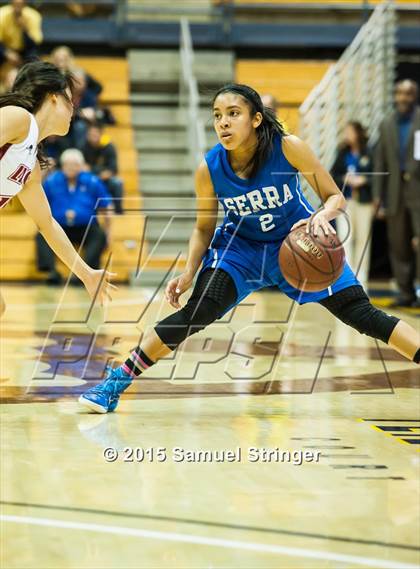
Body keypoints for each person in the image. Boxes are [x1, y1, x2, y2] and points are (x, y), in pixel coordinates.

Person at [79, 83, 420, 414]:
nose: (223, 123)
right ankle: (115, 382)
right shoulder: (209, 168)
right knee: (196, 313)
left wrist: (322, 217)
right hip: (240, 251)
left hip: (297, 242)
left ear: (256, 119)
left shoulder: (288, 147)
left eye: (233, 113)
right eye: (217, 116)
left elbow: (335, 196)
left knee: (363, 314)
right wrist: (188, 272)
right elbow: (202, 228)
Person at [0, 60, 115, 317]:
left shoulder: (31, 164)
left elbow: (47, 225)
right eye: (69, 99)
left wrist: (86, 274)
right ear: (53, 97)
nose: (74, 107)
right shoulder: (17, 117)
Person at [374, 79, 420, 308]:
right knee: (399, 244)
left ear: (415, 96)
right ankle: (406, 294)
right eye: (400, 93)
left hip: (418, 190)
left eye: (408, 93)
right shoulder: (386, 123)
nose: (404, 97)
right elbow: (379, 161)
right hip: (394, 192)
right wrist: (377, 197)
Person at [36, 148, 112, 285]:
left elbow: (106, 206)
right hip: (59, 227)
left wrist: (109, 231)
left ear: (81, 166)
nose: (70, 168)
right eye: (67, 164)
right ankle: (52, 273)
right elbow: (39, 201)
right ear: (63, 166)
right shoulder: (52, 181)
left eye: (74, 164)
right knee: (41, 234)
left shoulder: (92, 181)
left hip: (85, 228)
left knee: (99, 235)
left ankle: (84, 275)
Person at [331, 121, 374, 284]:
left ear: (358, 133)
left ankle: (362, 277)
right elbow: (333, 174)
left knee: (363, 240)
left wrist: (364, 180)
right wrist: (345, 179)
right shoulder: (342, 152)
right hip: (346, 202)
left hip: (364, 202)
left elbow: (378, 176)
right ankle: (347, 278)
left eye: (350, 131)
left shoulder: (369, 152)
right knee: (345, 238)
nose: (346, 135)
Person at [82, 123, 124, 214]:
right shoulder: (84, 147)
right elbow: (82, 167)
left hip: (104, 179)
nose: (93, 136)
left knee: (117, 183)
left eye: (95, 134)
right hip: (89, 179)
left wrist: (100, 175)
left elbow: (113, 169)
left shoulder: (109, 147)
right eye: (91, 134)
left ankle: (118, 211)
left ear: (101, 135)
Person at [0, 0, 42, 66]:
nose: (17, 8)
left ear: (25, 4)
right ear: (11, 3)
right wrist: (7, 53)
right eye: (15, 4)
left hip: (25, 50)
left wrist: (24, 29)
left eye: (20, 4)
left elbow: (35, 42)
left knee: (33, 55)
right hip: (5, 48)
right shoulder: (1, 14)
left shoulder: (33, 15)